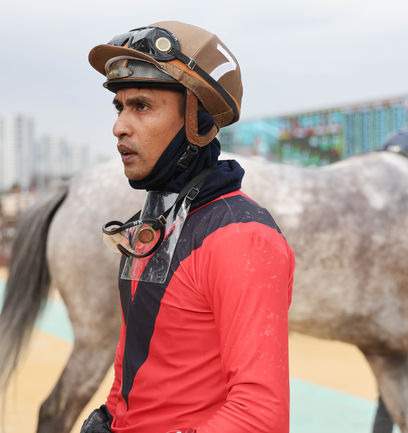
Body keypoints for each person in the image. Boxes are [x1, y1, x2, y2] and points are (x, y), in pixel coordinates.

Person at [80, 21, 295, 433]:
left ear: (199, 120)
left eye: (141, 106)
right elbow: (142, 358)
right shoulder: (157, 222)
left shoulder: (241, 238)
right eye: (119, 106)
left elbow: (259, 416)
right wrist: (110, 414)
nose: (120, 126)